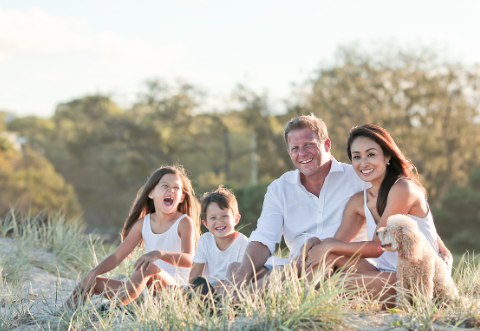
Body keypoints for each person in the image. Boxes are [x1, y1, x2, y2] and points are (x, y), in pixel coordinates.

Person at [303, 124, 452, 301]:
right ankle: (300, 299)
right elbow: (338, 243)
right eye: (357, 157)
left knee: (336, 284)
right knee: (327, 257)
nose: (364, 163)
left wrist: (329, 246)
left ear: (387, 156)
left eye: (371, 154)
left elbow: (378, 247)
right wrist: (319, 244)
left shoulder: (403, 188)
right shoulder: (359, 201)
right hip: (384, 271)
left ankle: (310, 299)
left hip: (416, 278)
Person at [226, 114, 368, 286]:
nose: (302, 153)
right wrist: (243, 272)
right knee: (237, 268)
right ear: (289, 152)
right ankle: (228, 297)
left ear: (327, 144)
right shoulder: (280, 188)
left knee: (312, 268)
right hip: (296, 266)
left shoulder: (358, 178)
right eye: (295, 148)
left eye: (309, 145)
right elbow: (264, 237)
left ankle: (239, 298)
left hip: (342, 264)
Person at [65, 165, 200, 309]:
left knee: (146, 268)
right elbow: (116, 257)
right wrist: (93, 272)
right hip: (145, 294)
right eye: (165, 185)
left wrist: (158, 254)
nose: (171, 190)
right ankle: (62, 317)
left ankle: (111, 309)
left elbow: (188, 259)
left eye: (176, 187)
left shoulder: (184, 222)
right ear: (151, 193)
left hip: (174, 291)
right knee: (92, 282)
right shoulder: (143, 224)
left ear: (181, 198)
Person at [189, 185, 248, 292]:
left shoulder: (242, 242)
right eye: (213, 218)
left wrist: (217, 287)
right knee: (175, 289)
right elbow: (194, 277)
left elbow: (240, 279)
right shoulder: (205, 240)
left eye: (224, 216)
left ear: (236, 219)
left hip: (230, 290)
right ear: (206, 224)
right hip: (207, 289)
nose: (219, 221)